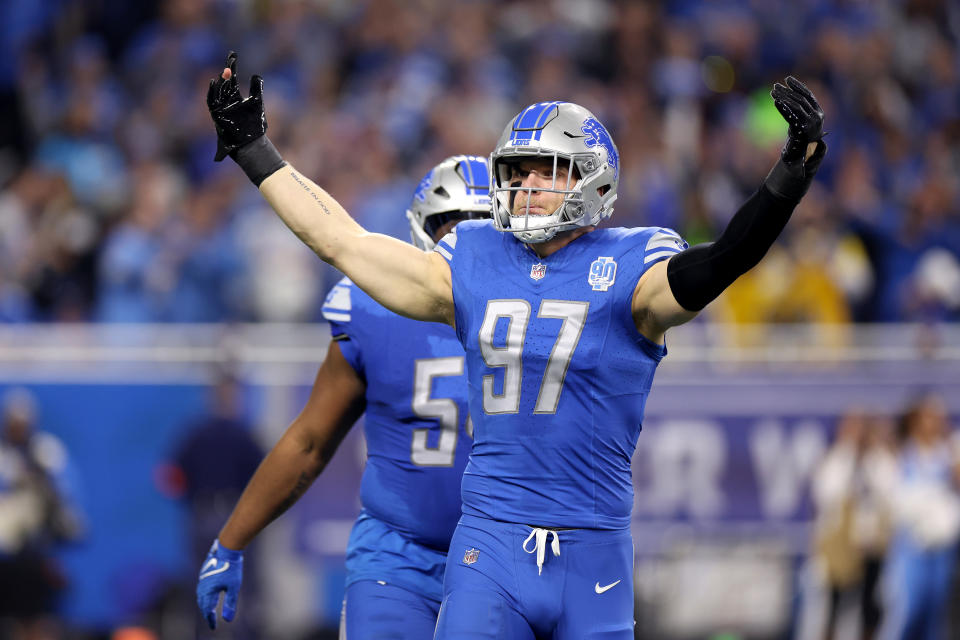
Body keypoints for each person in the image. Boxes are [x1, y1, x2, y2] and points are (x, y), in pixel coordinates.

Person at [206, 51, 826, 638]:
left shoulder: (630, 263)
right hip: (490, 542)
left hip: (594, 547)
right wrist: (256, 151)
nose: (525, 185)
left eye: (544, 171)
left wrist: (788, 178)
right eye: (517, 171)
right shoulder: (475, 254)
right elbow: (342, 241)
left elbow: (725, 259)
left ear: (591, 180)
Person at [195, 154, 491, 637]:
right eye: (449, 225)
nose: (463, 240)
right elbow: (309, 441)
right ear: (422, 229)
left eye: (481, 225)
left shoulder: (540, 315)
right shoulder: (372, 309)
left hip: (501, 559)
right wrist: (230, 540)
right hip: (397, 559)